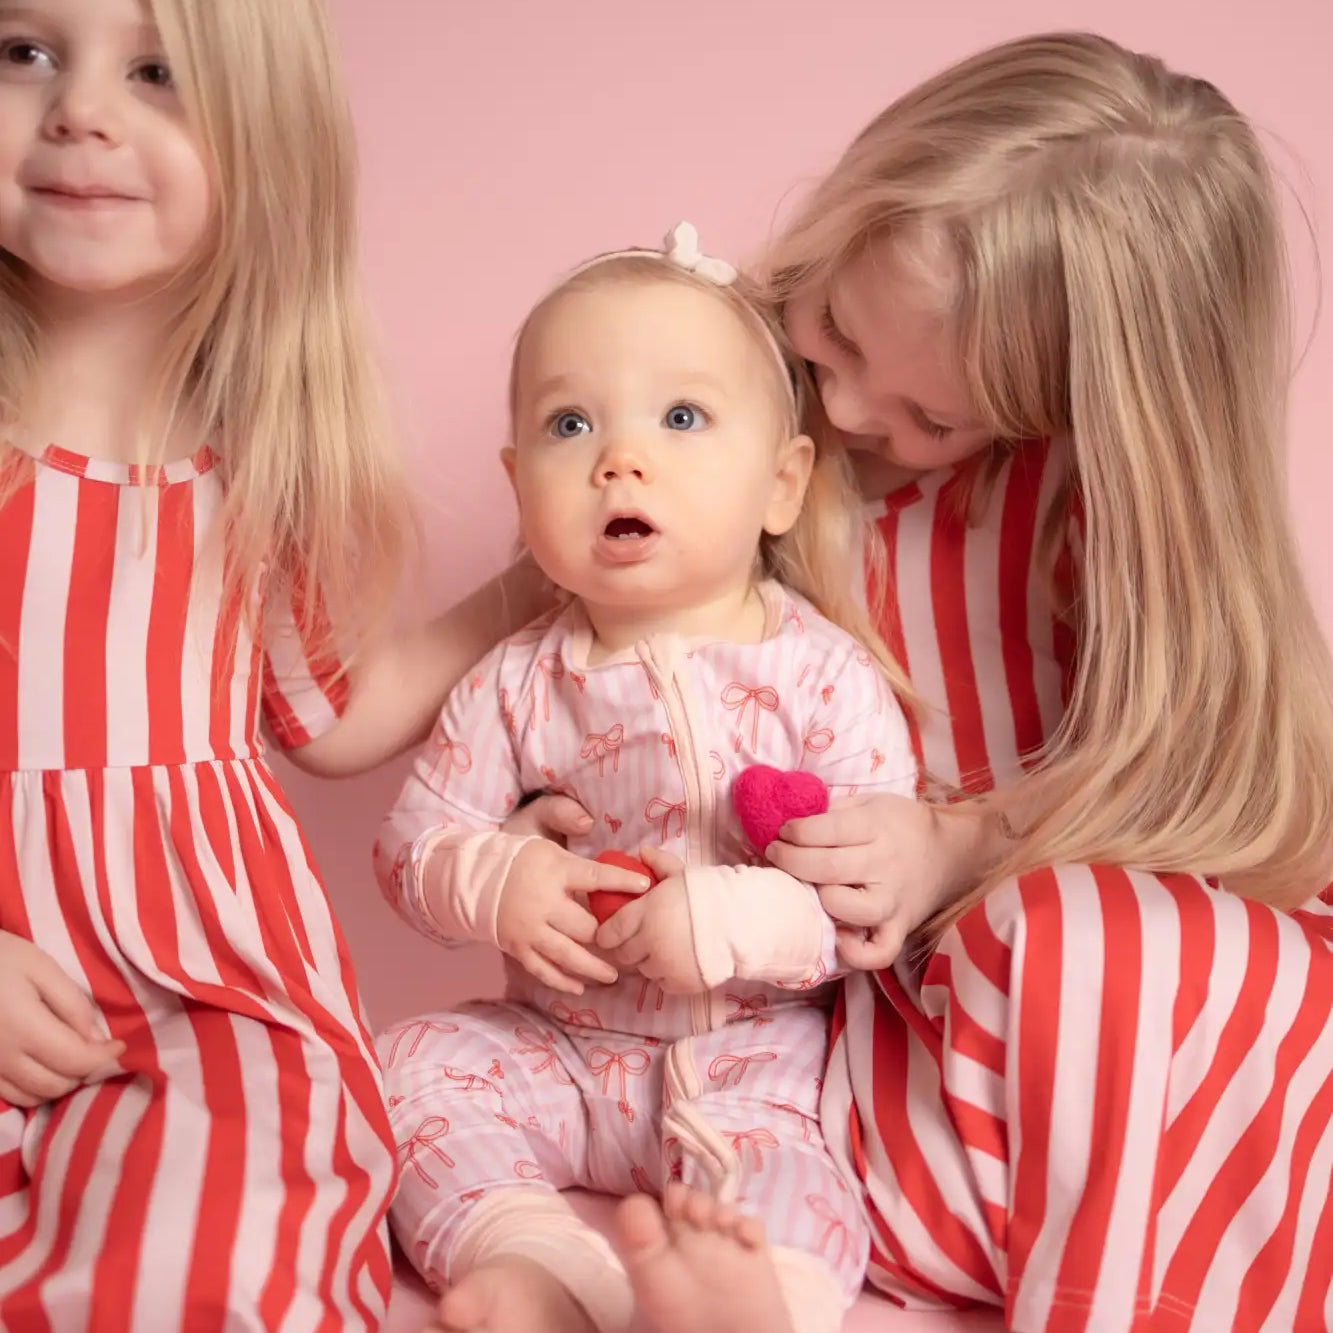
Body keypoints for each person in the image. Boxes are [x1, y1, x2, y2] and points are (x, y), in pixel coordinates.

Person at [577, 33, 1333, 1333]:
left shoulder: (1081, 507)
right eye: (836, 331)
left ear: (1061, 411)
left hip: (1207, 1100)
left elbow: (1227, 797)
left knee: (1116, 938)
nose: (852, 412)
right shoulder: (726, 435)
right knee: (1057, 946)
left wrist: (959, 842)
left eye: (936, 418)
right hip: (924, 1094)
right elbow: (538, 666)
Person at [0, 1, 642, 1326]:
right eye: (24, 51)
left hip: (194, 985)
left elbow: (326, 718)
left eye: (158, 71)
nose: (81, 111)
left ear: (270, 140)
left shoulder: (258, 461)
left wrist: (538, 580)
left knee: (223, 1225)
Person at [373, 225, 922, 1333]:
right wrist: (497, 879)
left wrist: (726, 918)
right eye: (570, 424)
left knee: (807, 1160)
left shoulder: (822, 677)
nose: (619, 459)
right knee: (405, 1067)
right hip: (560, 1045)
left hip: (756, 1054)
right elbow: (410, 849)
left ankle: (752, 1299)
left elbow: (872, 901)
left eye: (680, 418)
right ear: (518, 486)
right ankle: (533, 1262)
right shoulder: (515, 683)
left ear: (780, 485)